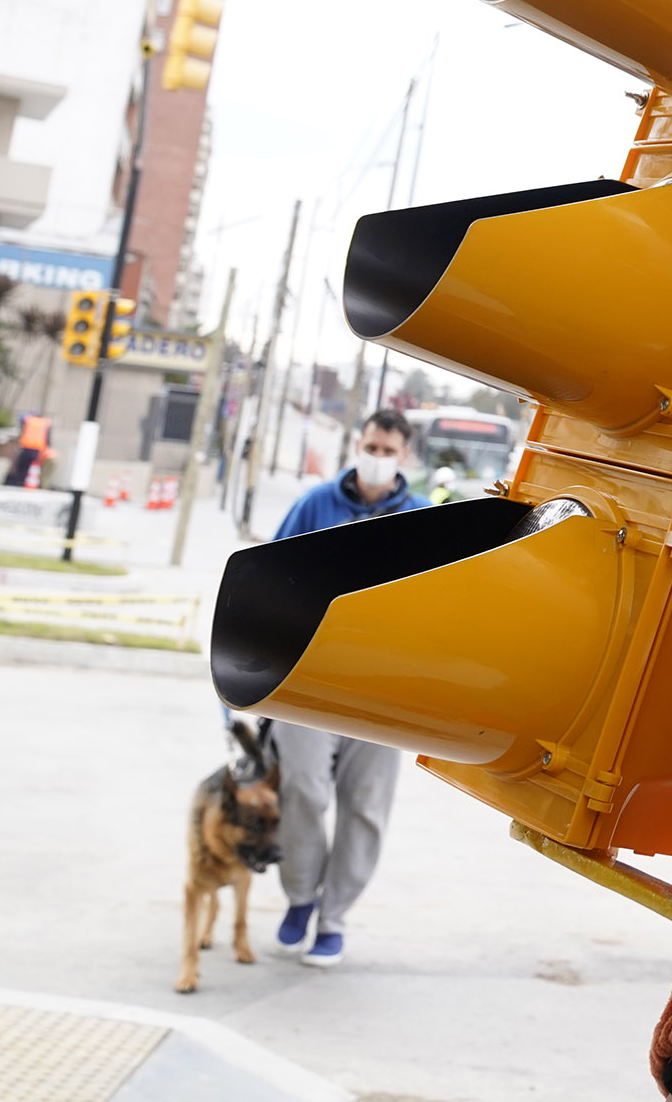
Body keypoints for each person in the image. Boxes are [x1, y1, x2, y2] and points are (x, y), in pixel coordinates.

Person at [262, 407, 428, 968]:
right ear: (356, 446)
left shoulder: (423, 520)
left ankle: (333, 919)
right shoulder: (316, 505)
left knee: (364, 807)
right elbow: (268, 576)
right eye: (370, 448)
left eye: (387, 451)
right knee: (303, 791)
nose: (376, 459)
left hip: (381, 690)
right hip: (306, 679)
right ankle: (301, 898)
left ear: (405, 456)